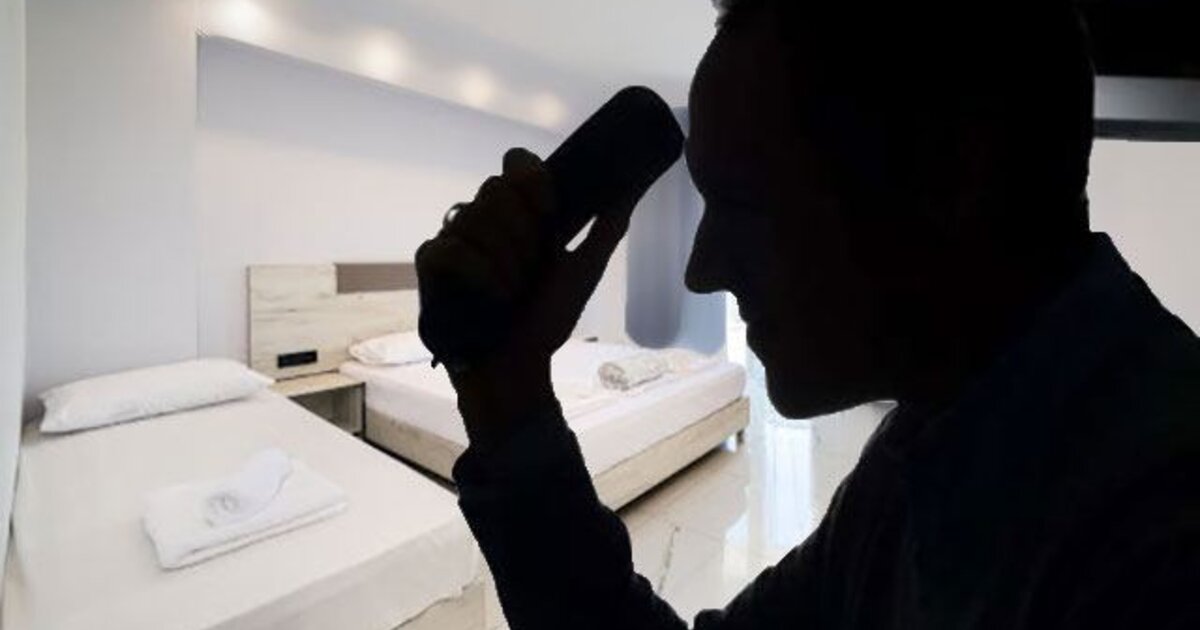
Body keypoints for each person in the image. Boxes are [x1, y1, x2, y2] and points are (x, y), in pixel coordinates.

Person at [417, 1, 1200, 628]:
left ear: (951, 173)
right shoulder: (922, 457)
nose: (701, 271)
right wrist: (509, 398)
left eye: (745, 204)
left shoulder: (1159, 549)